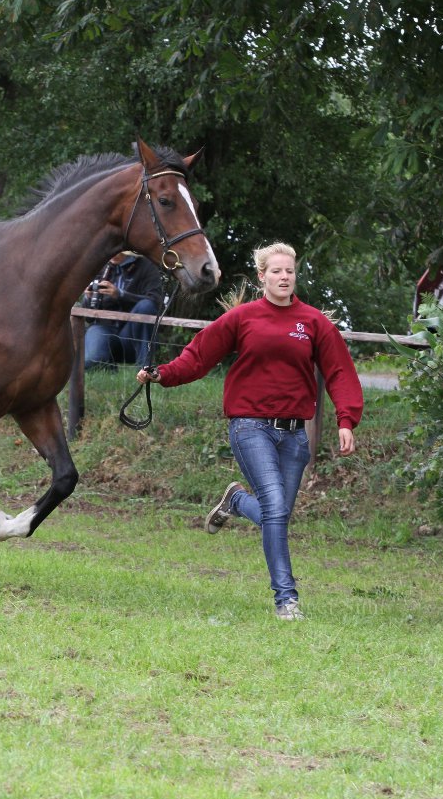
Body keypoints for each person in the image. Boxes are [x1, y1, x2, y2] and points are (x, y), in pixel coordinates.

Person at [136, 243, 362, 621]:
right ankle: (286, 600)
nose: (284, 277)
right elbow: (198, 356)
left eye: (289, 271)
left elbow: (340, 371)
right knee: (275, 509)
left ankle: (237, 502)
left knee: (278, 516)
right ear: (262, 277)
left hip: (294, 435)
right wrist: (163, 373)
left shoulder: (313, 323)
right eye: (276, 271)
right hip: (250, 426)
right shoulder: (243, 318)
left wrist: (346, 420)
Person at [82, 251, 165, 370]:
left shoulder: (146, 266)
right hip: (104, 329)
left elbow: (156, 302)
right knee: (92, 362)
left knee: (146, 305)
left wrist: (120, 295)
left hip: (131, 333)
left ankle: (145, 369)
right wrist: (88, 298)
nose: (113, 253)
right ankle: (108, 370)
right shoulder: (101, 266)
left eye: (119, 250)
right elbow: (89, 318)